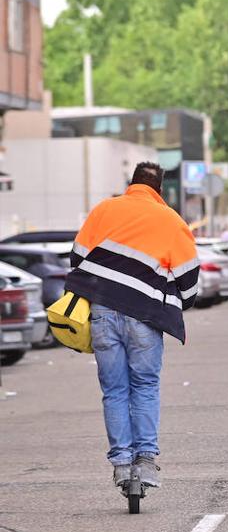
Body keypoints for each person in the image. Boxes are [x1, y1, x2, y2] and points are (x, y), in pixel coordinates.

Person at [65, 162, 199, 490]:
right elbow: (189, 282)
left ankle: (122, 463)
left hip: (104, 314)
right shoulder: (172, 221)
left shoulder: (104, 210)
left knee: (114, 390)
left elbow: (77, 258)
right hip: (145, 318)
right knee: (145, 386)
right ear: (160, 190)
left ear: (132, 183)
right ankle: (146, 461)